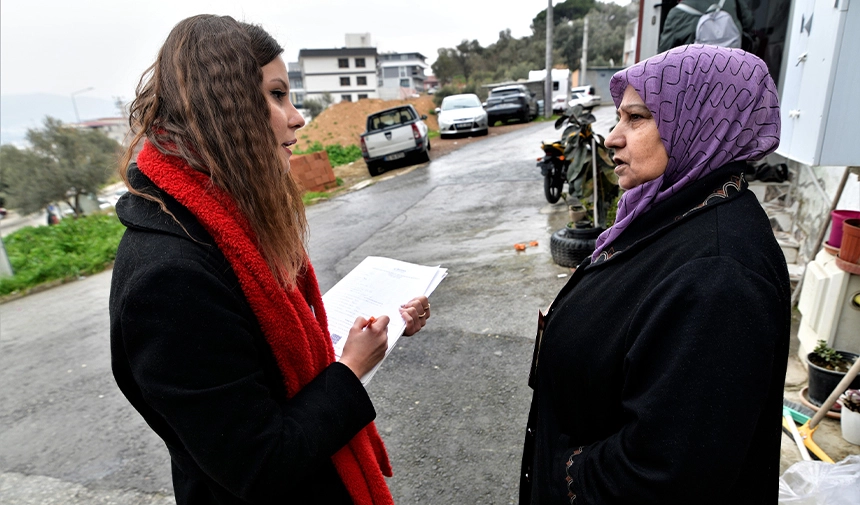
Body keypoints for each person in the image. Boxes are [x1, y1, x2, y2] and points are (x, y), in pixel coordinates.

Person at [109, 15, 431, 505]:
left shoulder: (223, 220)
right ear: (227, 108)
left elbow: (267, 350)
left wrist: (368, 334)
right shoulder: (169, 280)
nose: (297, 116)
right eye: (278, 95)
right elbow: (258, 463)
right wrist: (348, 370)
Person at [519, 45, 788, 504]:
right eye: (618, 117)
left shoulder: (720, 275)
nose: (612, 138)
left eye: (637, 118)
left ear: (703, 121)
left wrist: (567, 472)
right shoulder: (672, 210)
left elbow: (665, 474)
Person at [658, 0, 754, 52]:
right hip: (732, 69)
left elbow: (663, 54)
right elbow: (748, 22)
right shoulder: (733, 2)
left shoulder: (677, 13)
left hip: (695, 77)